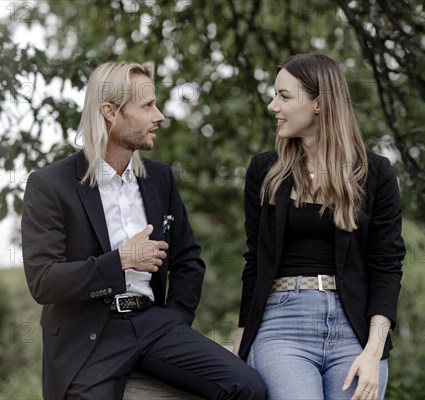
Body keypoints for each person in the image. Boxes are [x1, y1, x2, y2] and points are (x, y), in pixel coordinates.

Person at [22, 61, 266, 400]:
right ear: (110, 111)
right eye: (147, 106)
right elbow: (44, 281)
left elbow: (188, 260)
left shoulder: (159, 178)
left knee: (249, 387)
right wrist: (120, 261)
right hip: (91, 334)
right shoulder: (50, 185)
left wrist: (175, 319)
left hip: (155, 323)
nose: (160, 116)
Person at [233, 53, 405, 400]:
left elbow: (386, 266)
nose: (272, 106)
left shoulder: (375, 173)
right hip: (281, 326)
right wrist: (239, 350)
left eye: (283, 96)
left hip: (354, 329)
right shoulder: (264, 171)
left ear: (319, 104)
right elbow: (255, 263)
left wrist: (374, 353)